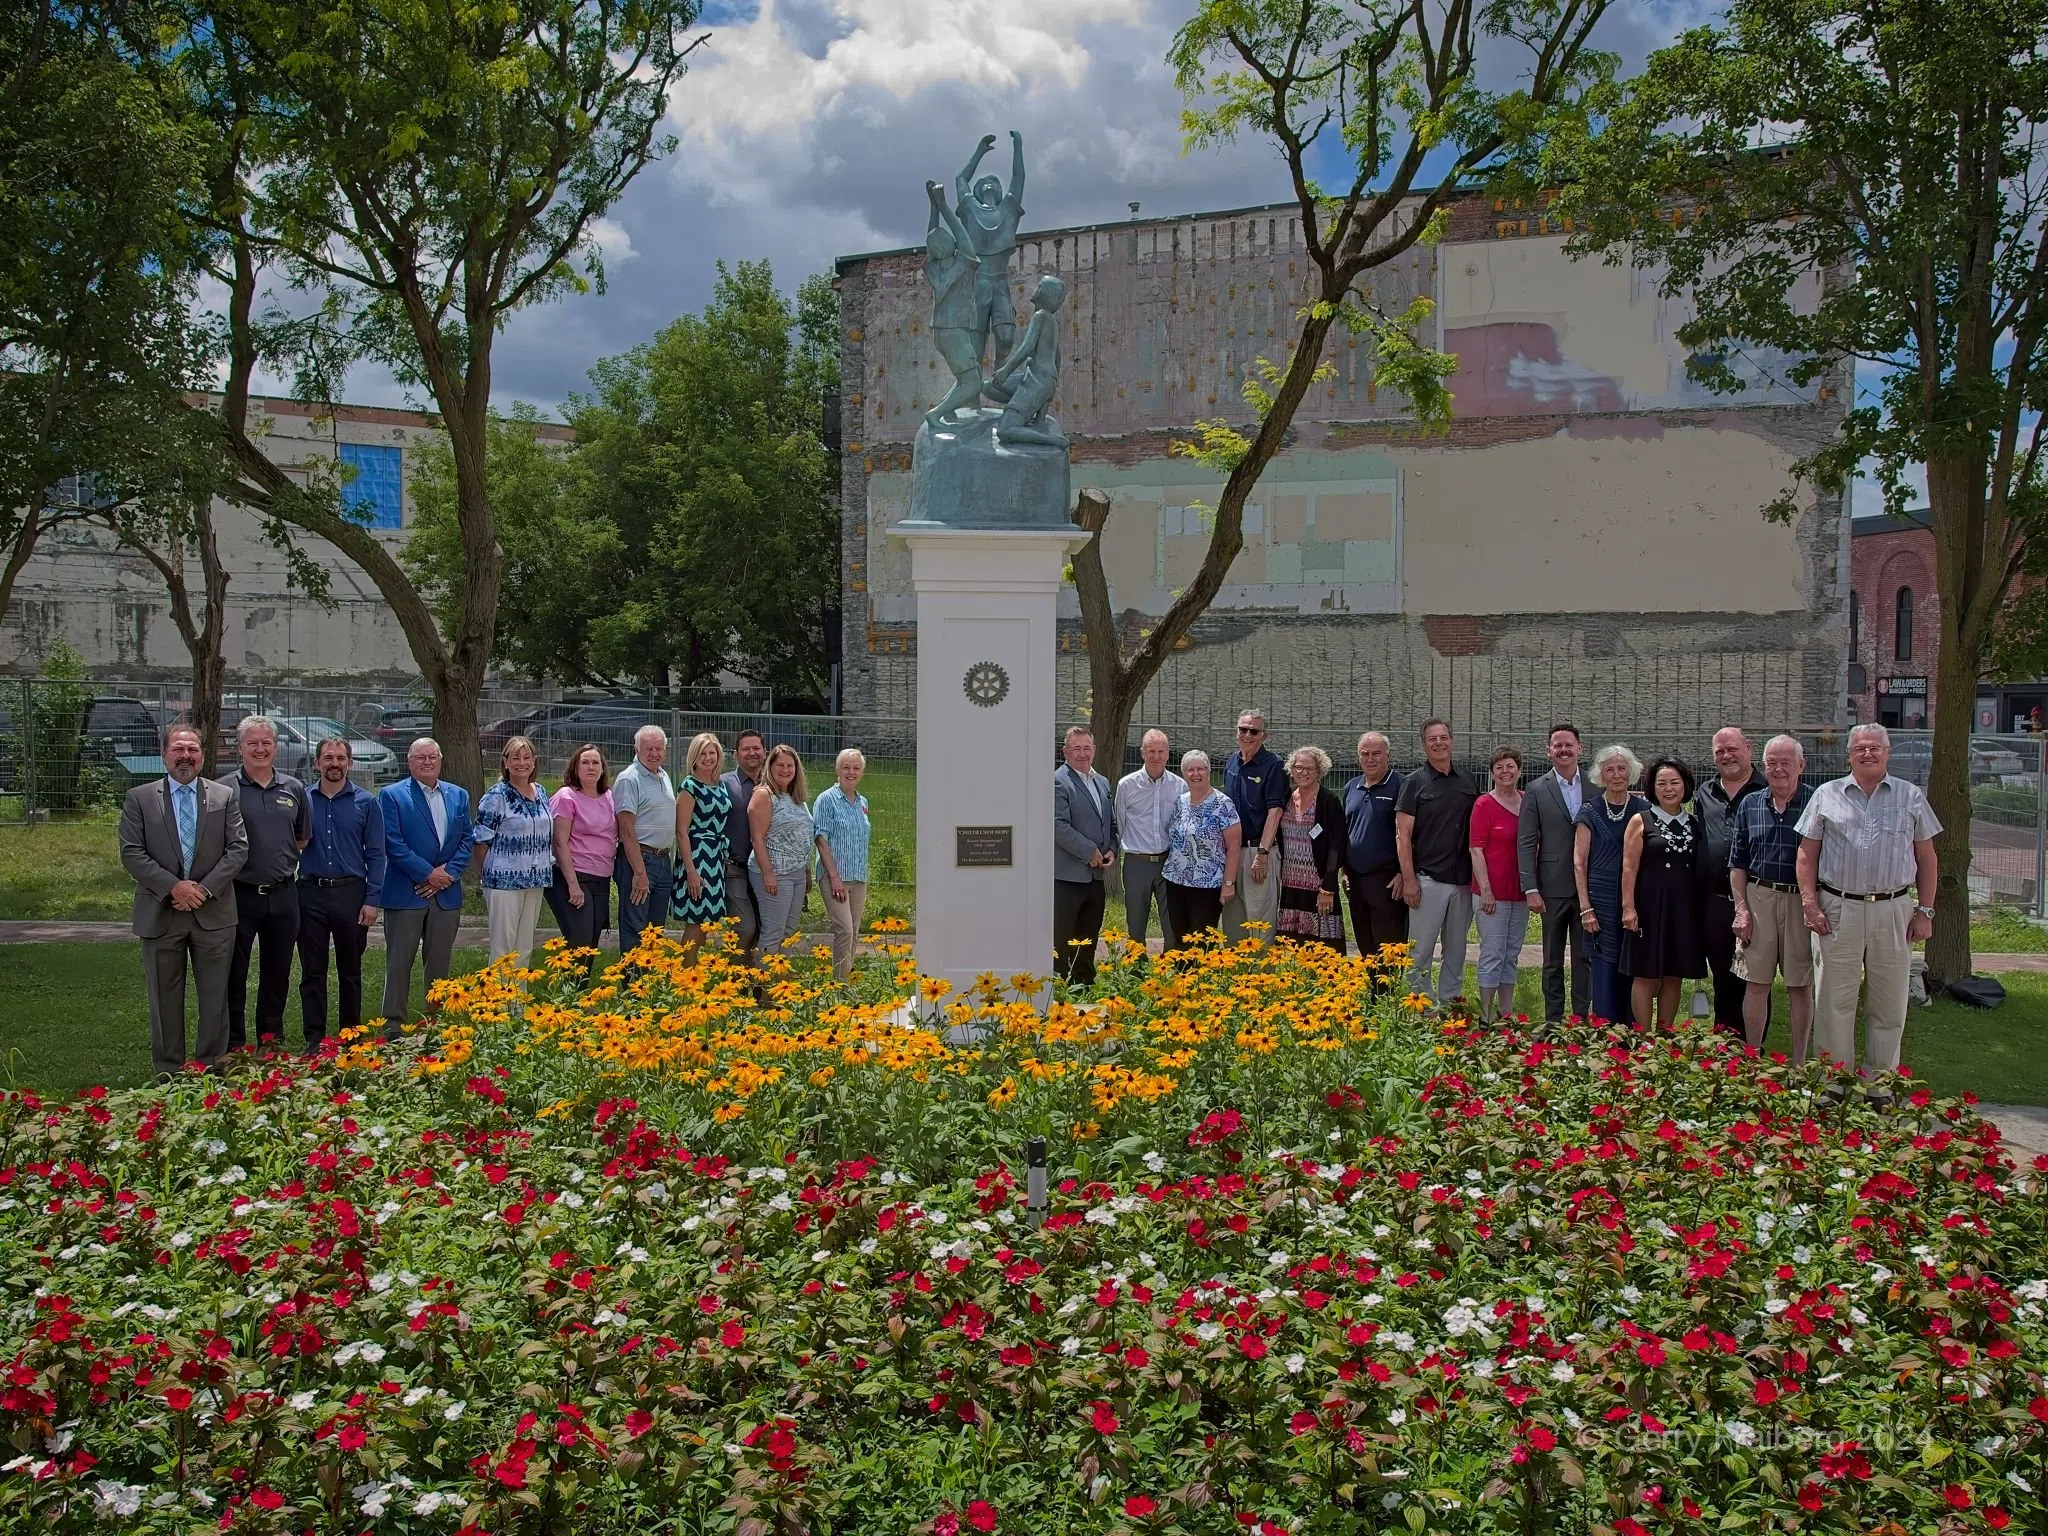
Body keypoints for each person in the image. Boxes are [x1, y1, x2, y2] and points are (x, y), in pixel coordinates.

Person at [1796, 722, 1940, 1092]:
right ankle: (1833, 1086)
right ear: (1849, 754)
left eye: (1875, 747)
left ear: (1887, 753)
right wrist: (1810, 904)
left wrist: (1925, 911)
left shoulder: (1910, 796)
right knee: (1832, 1001)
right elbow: (1806, 855)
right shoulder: (1826, 795)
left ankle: (1880, 1087)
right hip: (1838, 908)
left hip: (1893, 910)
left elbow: (1927, 857)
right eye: (1860, 748)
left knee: (1889, 1003)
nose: (1868, 753)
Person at [118, 724, 247, 1078]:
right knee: (164, 998)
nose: (186, 756)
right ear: (164, 755)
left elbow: (238, 849)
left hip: (214, 913)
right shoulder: (140, 799)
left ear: (202, 756)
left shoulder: (223, 796)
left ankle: (211, 1067)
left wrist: (201, 890)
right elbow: (132, 853)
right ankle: (169, 1071)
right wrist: (175, 888)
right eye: (178, 749)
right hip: (161, 913)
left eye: (192, 750)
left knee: (215, 997)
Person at [220, 715, 311, 1049]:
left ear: (275, 747)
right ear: (240, 747)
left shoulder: (294, 788)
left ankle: (270, 1041)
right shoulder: (223, 789)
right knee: (234, 973)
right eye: (252, 743)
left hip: (284, 894)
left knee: (277, 972)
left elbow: (301, 838)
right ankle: (233, 1043)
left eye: (266, 743)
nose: (260, 749)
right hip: (238, 894)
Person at [1730, 734, 1816, 1062]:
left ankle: (1798, 1063)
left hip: (1801, 900)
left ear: (1801, 766)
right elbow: (1737, 863)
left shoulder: (1816, 802)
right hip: (1759, 897)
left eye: (1786, 763)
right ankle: (1753, 1059)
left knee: (1799, 984)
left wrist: (1813, 904)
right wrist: (1741, 910)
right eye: (1771, 764)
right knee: (1756, 983)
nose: (1778, 770)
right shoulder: (1750, 804)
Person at [296, 736, 385, 1050]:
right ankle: (314, 1038)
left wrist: (372, 900)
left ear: (349, 763)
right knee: (312, 971)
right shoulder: (302, 799)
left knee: (350, 971)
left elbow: (376, 854)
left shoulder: (366, 802)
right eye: (328, 758)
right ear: (317, 763)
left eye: (340, 758)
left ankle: (351, 1036)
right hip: (310, 893)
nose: (334, 764)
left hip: (351, 893)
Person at [378, 738, 472, 1029]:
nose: (427, 762)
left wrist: (448, 875)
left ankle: (435, 1023)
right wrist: (427, 874)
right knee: (399, 963)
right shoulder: (392, 795)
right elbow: (393, 843)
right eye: (420, 757)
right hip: (406, 892)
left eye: (432, 757)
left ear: (441, 761)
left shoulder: (459, 795)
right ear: (409, 761)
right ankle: (394, 1026)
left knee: (439, 965)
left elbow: (467, 839)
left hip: (446, 894)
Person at [1396, 719, 1480, 1002]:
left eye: (1444, 737)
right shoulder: (1413, 783)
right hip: (1428, 880)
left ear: (1452, 741)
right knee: (1420, 952)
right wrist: (1409, 880)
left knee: (1456, 950)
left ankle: (1450, 1004)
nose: (1439, 743)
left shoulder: (1468, 780)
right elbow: (1403, 836)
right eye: (1432, 739)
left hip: (1463, 881)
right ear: (1424, 745)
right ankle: (1421, 1009)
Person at [1620, 756, 1707, 1030]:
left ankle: (1666, 1036)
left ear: (1685, 785)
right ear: (1652, 788)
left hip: (1684, 910)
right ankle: (1643, 1040)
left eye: (1674, 782)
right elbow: (1629, 867)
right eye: (1662, 783)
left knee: (1673, 975)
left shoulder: (1695, 823)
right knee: (1645, 975)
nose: (1669, 789)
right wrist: (1628, 907)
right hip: (1648, 908)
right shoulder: (1641, 820)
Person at [1517, 722, 1591, 1024]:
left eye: (1568, 745)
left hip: (1588, 889)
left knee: (1585, 959)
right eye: (1557, 745)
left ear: (1579, 749)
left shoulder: (1595, 785)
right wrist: (1529, 887)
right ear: (1549, 751)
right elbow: (1526, 841)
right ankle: (1553, 1021)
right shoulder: (1536, 789)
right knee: (1551, 960)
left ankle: (1582, 1020)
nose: (1563, 750)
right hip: (1551, 887)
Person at [1697, 727, 1766, 1034]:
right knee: (1723, 979)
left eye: (1732, 748)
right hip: (1714, 903)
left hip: (1759, 899)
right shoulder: (1705, 793)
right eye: (1720, 752)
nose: (1727, 756)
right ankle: (1725, 1050)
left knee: (1756, 978)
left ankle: (1754, 1048)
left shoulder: (1766, 789)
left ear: (1748, 748)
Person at [1574, 744, 1648, 1025]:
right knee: (1604, 972)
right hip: (1601, 903)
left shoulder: (1644, 809)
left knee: (1634, 969)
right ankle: (1607, 1041)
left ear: (1631, 773)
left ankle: (1635, 1035)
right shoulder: (1589, 811)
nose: (1616, 775)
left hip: (1635, 903)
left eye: (1621, 769)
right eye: (1609, 770)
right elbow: (1579, 863)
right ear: (1600, 775)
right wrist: (1585, 908)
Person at [472, 735, 553, 965]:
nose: (522, 762)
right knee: (503, 949)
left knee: (524, 947)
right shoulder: (497, 796)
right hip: (503, 882)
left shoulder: (541, 792)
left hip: (535, 880)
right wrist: (489, 876)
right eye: (515, 757)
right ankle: (497, 1000)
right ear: (505, 762)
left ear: (534, 761)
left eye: (527, 757)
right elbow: (480, 842)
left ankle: (517, 1001)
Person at [1052, 725, 1118, 987]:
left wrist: (1112, 848)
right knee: (1062, 938)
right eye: (1076, 748)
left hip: (1096, 877)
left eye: (1086, 748)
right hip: (1067, 877)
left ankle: (1084, 988)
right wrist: (1089, 851)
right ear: (1065, 751)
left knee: (1089, 936)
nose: (1082, 753)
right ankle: (1058, 988)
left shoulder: (1101, 782)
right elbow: (1057, 825)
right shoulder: (1058, 781)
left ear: (1094, 750)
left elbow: (1110, 823)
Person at [1469, 746, 1529, 1021]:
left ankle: (1505, 1012)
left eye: (1510, 766)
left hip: (1520, 893)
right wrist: (1486, 890)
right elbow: (1476, 849)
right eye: (1499, 768)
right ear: (1492, 773)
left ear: (1519, 770)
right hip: (1491, 893)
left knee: (1511, 954)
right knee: (1493, 952)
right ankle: (1485, 1015)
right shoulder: (1484, 804)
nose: (1506, 772)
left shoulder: (1528, 802)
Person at [1160, 750, 1241, 949]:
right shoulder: (1181, 802)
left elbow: (1234, 846)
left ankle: (1200, 979)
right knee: (1180, 937)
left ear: (1209, 772)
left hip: (1207, 885)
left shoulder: (1223, 804)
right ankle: (1181, 979)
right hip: (1176, 880)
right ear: (1183, 774)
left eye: (1200, 769)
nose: (1195, 774)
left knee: (1202, 939)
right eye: (1190, 770)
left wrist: (1229, 883)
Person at [1115, 729, 1185, 950]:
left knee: (1172, 921)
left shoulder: (1180, 786)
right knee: (1135, 922)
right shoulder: (1126, 785)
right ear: (1142, 753)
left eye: (1160, 751)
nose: (1156, 756)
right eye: (1151, 751)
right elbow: (1118, 823)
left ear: (1167, 754)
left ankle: (1172, 970)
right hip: (1137, 862)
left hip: (1169, 861)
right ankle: (1136, 971)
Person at [612, 724, 677, 958]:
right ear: (636, 749)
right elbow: (626, 830)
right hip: (639, 861)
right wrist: (639, 873)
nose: (654, 753)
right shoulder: (629, 779)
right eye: (648, 748)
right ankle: (633, 989)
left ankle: (651, 986)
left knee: (655, 931)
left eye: (659, 748)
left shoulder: (663, 774)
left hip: (662, 860)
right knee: (635, 929)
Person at [1222, 710, 1286, 942]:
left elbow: (1275, 811)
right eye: (1243, 729)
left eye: (1253, 731)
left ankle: (1262, 976)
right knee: (1232, 918)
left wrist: (1262, 853)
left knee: (1259, 920)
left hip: (1256, 852)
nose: (1247, 735)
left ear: (1264, 736)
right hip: (1231, 852)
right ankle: (1236, 973)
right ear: (1236, 731)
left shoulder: (1273, 765)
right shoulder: (1232, 761)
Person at [1342, 732, 1407, 960]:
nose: (1370, 759)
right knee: (1365, 942)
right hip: (1355, 881)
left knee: (1389, 944)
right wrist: (1345, 870)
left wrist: (1403, 874)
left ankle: (1387, 992)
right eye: (1365, 754)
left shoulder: (1401, 786)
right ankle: (1371, 992)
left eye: (1376, 754)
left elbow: (1411, 834)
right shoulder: (1351, 787)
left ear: (1387, 756)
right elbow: (1346, 831)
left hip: (1388, 881)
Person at [1275, 745, 1346, 950]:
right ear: (1291, 769)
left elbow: (1336, 846)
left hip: (1318, 885)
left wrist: (1328, 886)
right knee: (1291, 948)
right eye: (1298, 767)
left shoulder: (1329, 801)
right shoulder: (1286, 797)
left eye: (1310, 768)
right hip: (1291, 883)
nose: (1303, 772)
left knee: (1323, 948)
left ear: (1319, 771)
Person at [548, 744, 616, 960]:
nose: (591, 767)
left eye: (596, 762)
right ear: (575, 768)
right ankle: (570, 991)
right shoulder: (566, 797)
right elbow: (560, 843)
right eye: (585, 762)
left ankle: (582, 993)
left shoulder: (610, 797)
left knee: (592, 945)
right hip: (574, 878)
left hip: (601, 879)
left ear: (603, 769)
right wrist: (573, 885)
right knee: (580, 943)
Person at [749, 743, 816, 957]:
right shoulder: (764, 795)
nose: (785, 770)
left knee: (788, 932)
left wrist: (806, 871)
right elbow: (757, 838)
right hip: (774, 874)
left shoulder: (797, 798)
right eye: (780, 765)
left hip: (796, 873)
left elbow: (803, 836)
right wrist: (768, 874)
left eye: (790, 765)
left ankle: (781, 982)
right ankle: (764, 986)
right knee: (773, 932)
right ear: (770, 766)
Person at [811, 748, 872, 980]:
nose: (851, 772)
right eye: (846, 767)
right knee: (844, 930)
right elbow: (820, 839)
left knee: (854, 933)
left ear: (862, 772)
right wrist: (834, 876)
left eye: (856, 768)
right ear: (837, 770)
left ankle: (846, 983)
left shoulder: (862, 802)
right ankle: (839, 987)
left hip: (858, 876)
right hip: (834, 876)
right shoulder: (826, 799)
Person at [673, 732, 732, 958]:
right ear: (694, 757)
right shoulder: (690, 786)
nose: (708, 758)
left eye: (712, 753)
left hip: (716, 858)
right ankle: (684, 978)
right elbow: (681, 831)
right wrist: (691, 872)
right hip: (696, 856)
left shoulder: (720, 785)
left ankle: (700, 975)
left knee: (708, 923)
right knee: (696, 920)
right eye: (703, 753)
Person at [722, 729, 767, 957]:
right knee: (744, 928)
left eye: (756, 748)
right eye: (746, 749)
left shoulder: (775, 783)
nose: (752, 753)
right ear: (735, 753)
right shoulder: (723, 785)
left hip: (766, 870)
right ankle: (733, 982)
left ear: (765, 752)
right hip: (735, 868)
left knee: (764, 930)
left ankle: (757, 986)